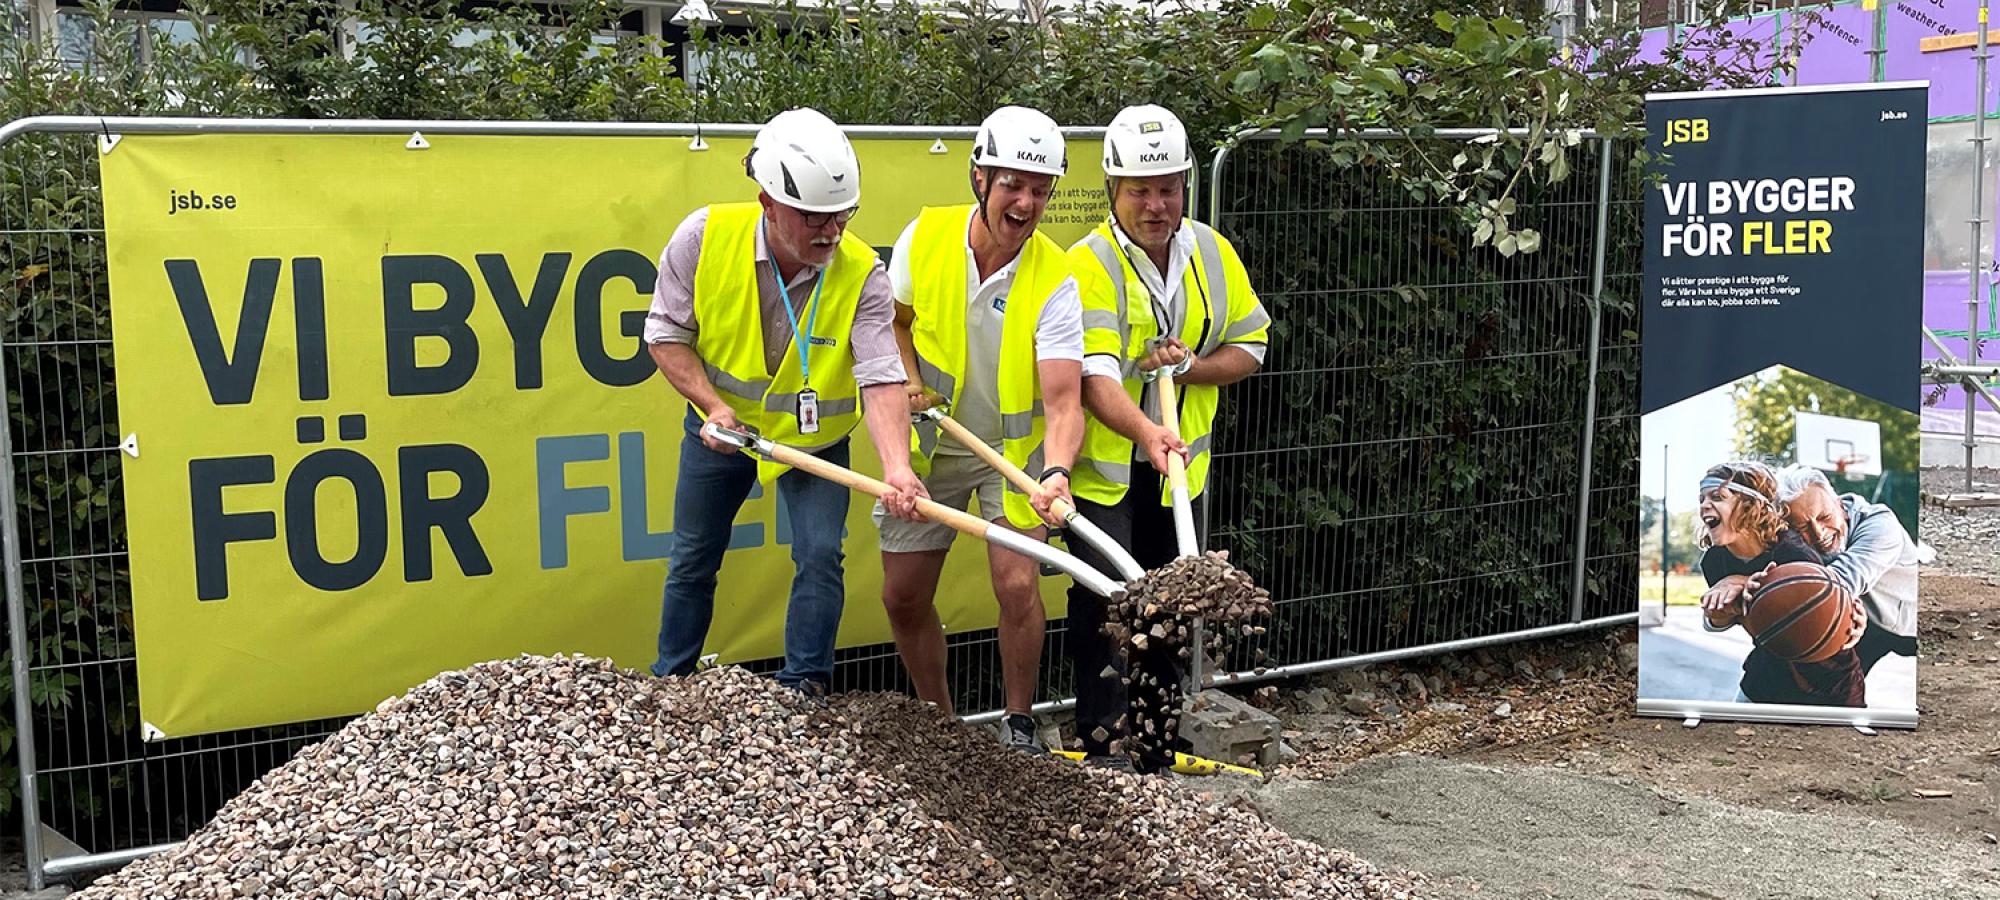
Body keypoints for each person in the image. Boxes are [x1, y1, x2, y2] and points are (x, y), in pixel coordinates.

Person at [644, 107, 928, 697]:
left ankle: (806, 689)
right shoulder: (702, 238)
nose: (830, 233)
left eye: (842, 217)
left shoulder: (862, 275)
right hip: (721, 429)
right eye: (812, 218)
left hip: (814, 442)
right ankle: (672, 684)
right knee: (694, 557)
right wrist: (712, 407)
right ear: (767, 201)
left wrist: (898, 468)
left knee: (821, 557)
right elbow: (667, 336)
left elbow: (880, 375)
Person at [1064, 105, 1271, 772]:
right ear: (1113, 191)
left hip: (1178, 469)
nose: (1156, 205)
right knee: (1107, 597)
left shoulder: (1210, 251)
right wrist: (1147, 422)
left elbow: (1252, 345)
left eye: (1168, 189)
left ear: (1186, 183)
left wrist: (1188, 368)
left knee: (1171, 598)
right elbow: (1094, 374)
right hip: (1107, 465)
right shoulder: (1088, 262)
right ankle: (1102, 741)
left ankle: (1154, 741)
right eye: (1140, 191)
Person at [877, 106, 1085, 752]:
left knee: (1018, 583)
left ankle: (1019, 722)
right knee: (903, 596)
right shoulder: (927, 236)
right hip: (934, 444)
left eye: (1040, 190)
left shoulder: (1055, 277)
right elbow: (895, 322)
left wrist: (1054, 472)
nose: (1026, 203)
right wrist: (909, 380)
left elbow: (1062, 400)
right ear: (979, 179)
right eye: (1012, 185)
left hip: (1010, 451)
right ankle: (943, 728)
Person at [1695, 462, 1865, 707]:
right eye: (1702, 498)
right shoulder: (1714, 561)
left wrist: (1757, 589)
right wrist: (1721, 613)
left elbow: (1818, 612)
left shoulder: (1792, 552)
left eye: (1717, 497)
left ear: (1749, 505)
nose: (1704, 505)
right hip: (1768, 674)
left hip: (1830, 685)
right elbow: (1731, 621)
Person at [1770, 464, 1919, 676]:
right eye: (1802, 528)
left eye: (1824, 517)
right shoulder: (1785, 538)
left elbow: (1834, 586)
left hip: (1910, 621)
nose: (1819, 533)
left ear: (1840, 505)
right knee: (1798, 678)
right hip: (1859, 621)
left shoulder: (1882, 526)